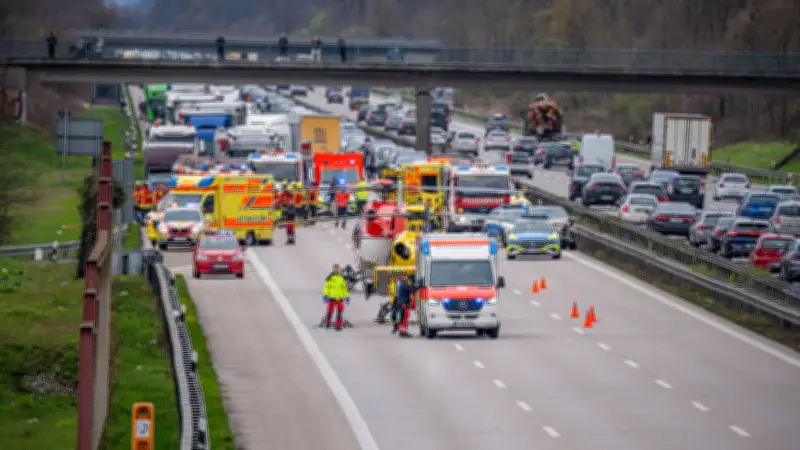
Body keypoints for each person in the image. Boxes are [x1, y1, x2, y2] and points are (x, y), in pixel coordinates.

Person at [322, 264, 350, 330]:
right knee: (330, 312)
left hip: (340, 299)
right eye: (335, 268)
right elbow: (326, 288)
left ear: (339, 269)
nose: (336, 270)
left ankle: (338, 326)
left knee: (340, 313)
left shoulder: (341, 278)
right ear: (333, 269)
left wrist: (347, 297)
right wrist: (325, 295)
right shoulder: (329, 278)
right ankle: (327, 323)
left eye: (338, 269)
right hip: (331, 298)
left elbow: (344, 289)